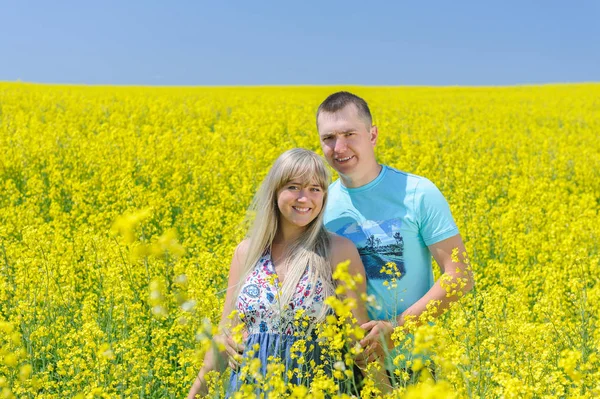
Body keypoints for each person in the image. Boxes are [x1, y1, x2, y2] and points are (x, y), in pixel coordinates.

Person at [187, 148, 379, 399]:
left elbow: (359, 341)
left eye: (315, 189)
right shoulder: (246, 252)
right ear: (275, 190)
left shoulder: (337, 250)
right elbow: (226, 338)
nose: (304, 198)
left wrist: (386, 392)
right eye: (294, 187)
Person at [316, 91, 475, 372]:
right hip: (344, 370)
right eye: (328, 138)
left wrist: (397, 328)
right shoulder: (318, 204)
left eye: (349, 134)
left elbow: (459, 276)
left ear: (373, 135)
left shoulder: (418, 193)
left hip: (414, 365)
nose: (339, 148)